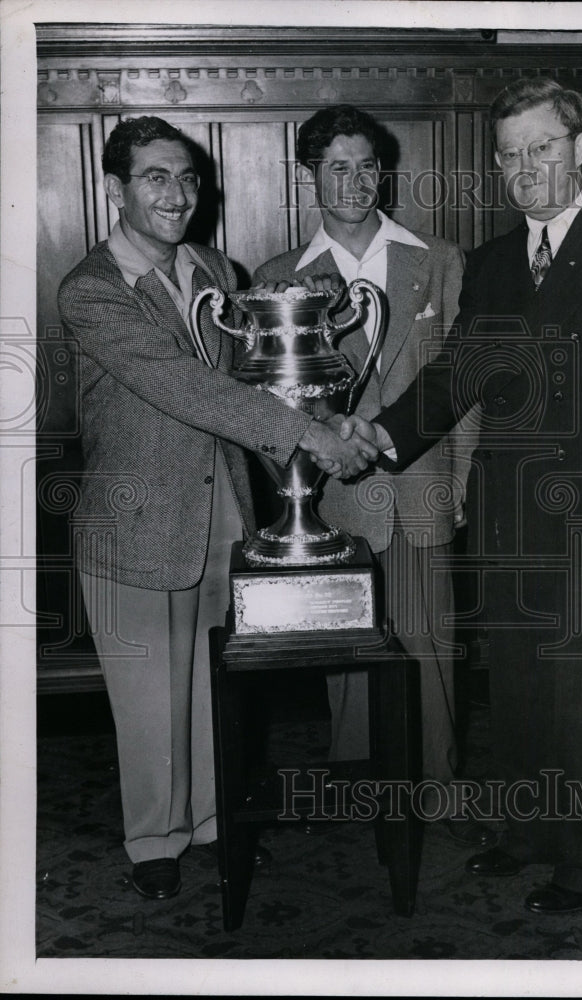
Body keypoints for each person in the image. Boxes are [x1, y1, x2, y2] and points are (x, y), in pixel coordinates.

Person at [345, 77, 582, 913]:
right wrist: (382, 437)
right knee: (516, 683)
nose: (525, 167)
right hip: (505, 509)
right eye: (509, 154)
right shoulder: (496, 262)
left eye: (543, 146)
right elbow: (457, 375)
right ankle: (532, 830)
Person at [57, 115, 376, 900]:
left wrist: (329, 421)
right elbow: (185, 386)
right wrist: (307, 431)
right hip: (135, 522)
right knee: (148, 701)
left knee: (214, 686)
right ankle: (154, 843)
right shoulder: (92, 291)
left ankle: (209, 824)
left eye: (188, 178)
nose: (177, 194)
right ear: (115, 190)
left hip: (225, 511)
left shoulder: (211, 266)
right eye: (156, 178)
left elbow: (250, 380)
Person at [253, 105, 491, 844]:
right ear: (312, 177)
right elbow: (265, 406)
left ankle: (438, 790)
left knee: (431, 646)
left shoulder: (440, 259)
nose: (356, 183)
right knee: (349, 657)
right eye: (338, 168)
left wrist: (458, 484)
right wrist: (302, 475)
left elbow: (465, 389)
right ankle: (361, 788)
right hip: (336, 504)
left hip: (422, 490)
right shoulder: (279, 279)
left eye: (367, 166)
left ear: (384, 172)